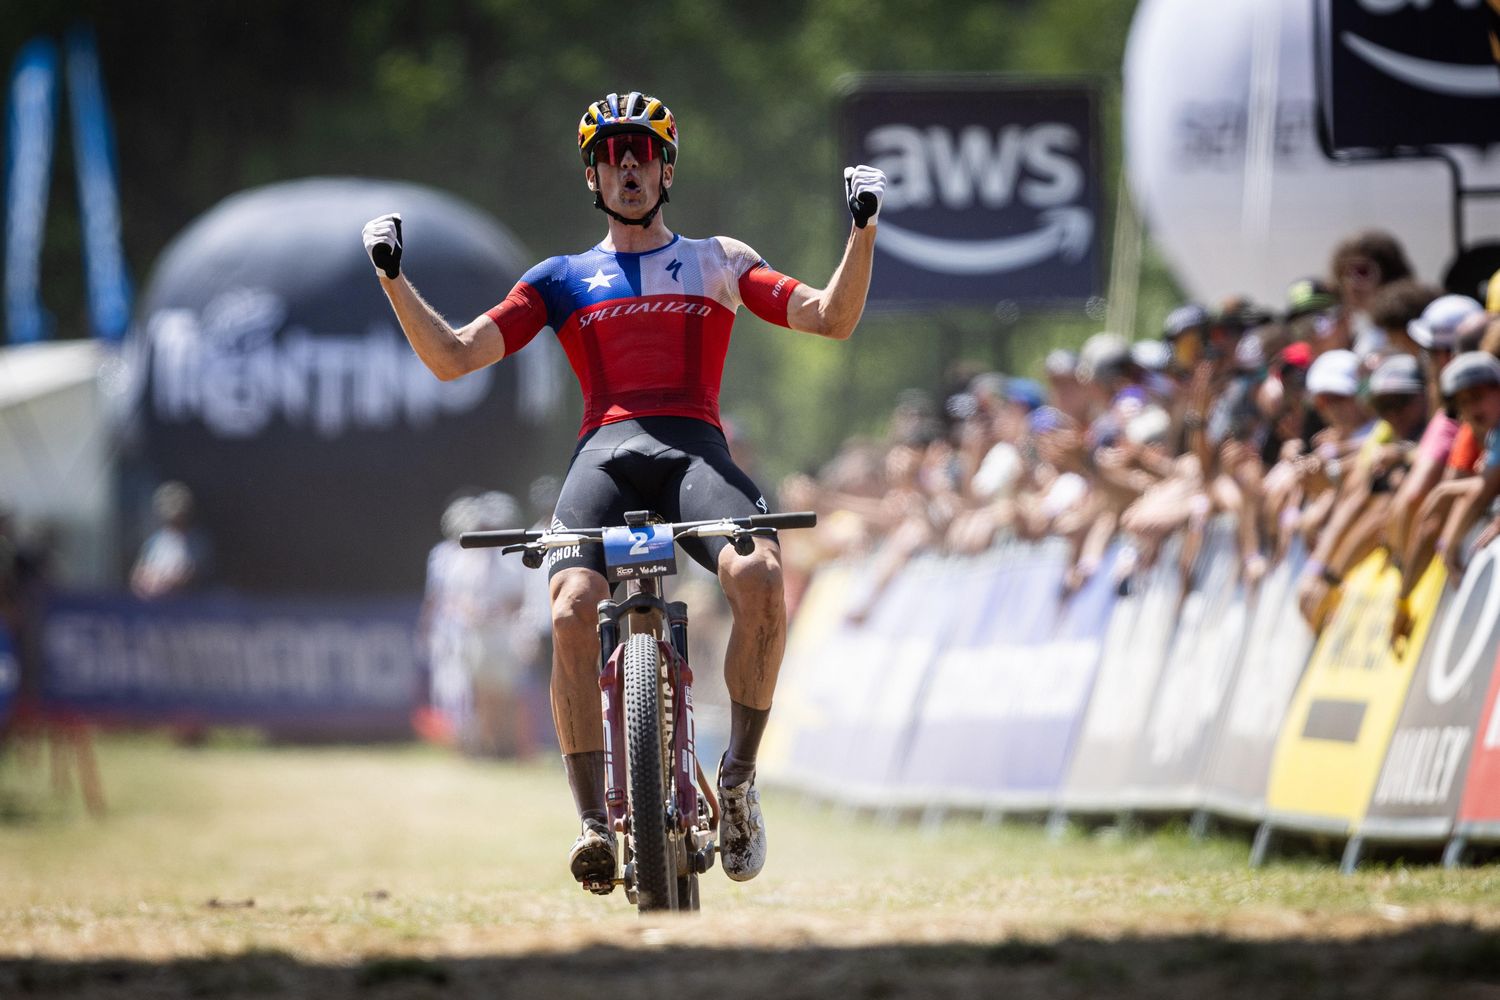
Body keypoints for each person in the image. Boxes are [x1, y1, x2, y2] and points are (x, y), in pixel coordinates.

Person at [363, 91, 884, 889]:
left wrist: (862, 228)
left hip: (693, 450)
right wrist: (393, 277)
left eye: (643, 151)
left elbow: (829, 317)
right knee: (571, 607)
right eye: (612, 155)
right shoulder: (562, 278)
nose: (628, 165)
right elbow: (455, 357)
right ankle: (591, 822)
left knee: (759, 575)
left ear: (667, 167)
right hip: (602, 455)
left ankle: (739, 782)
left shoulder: (718, 258)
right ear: (593, 177)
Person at [130, 482, 214, 599]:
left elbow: (196, 576)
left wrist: (168, 582)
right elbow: (138, 576)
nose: (173, 511)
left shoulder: (197, 541)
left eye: (177, 504)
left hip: (188, 608)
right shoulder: (155, 541)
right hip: (157, 608)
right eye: (167, 504)